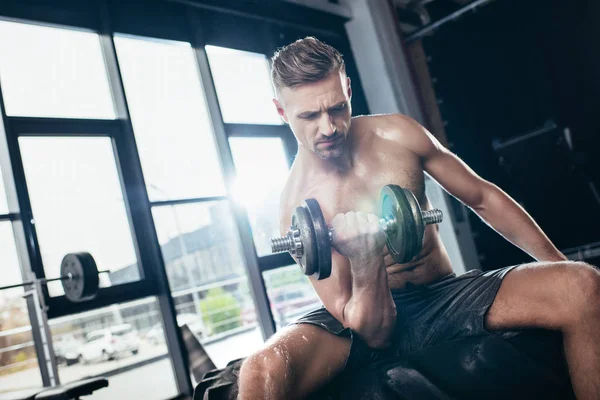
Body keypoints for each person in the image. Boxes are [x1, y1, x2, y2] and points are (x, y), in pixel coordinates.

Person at [238, 37, 600, 399]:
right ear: (282, 112)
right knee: (261, 371)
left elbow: (483, 197)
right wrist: (365, 258)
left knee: (582, 284)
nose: (329, 127)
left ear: (348, 89)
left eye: (336, 108)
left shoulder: (397, 134)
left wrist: (557, 267)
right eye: (309, 116)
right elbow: (372, 333)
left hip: (442, 294)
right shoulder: (295, 210)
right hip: (358, 321)